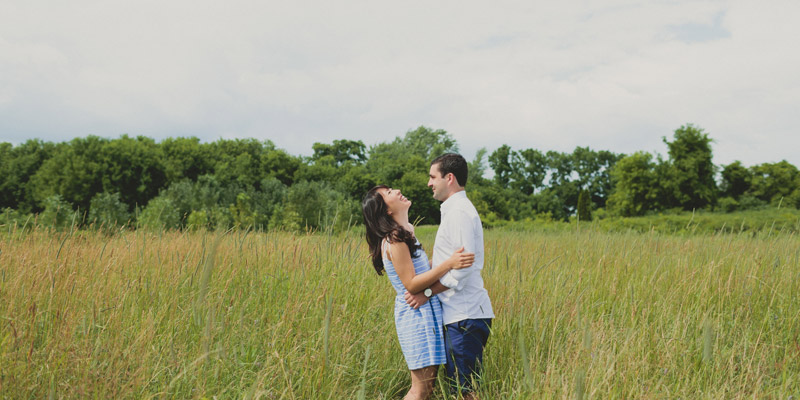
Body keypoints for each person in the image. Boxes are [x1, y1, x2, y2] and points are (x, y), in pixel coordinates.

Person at [362, 184, 476, 400]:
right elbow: (412, 284)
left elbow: (421, 270)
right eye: (388, 193)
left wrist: (445, 261)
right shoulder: (394, 239)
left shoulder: (405, 233)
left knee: (428, 388)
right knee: (420, 390)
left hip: (425, 312)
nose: (396, 191)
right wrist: (449, 264)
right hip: (416, 315)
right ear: (386, 210)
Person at [404, 153, 494, 399]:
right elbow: (450, 262)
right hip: (459, 315)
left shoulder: (459, 213)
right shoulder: (453, 211)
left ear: (449, 178)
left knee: (464, 392)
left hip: (464, 315)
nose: (429, 183)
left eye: (433, 177)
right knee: (459, 389)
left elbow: (462, 269)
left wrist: (427, 293)